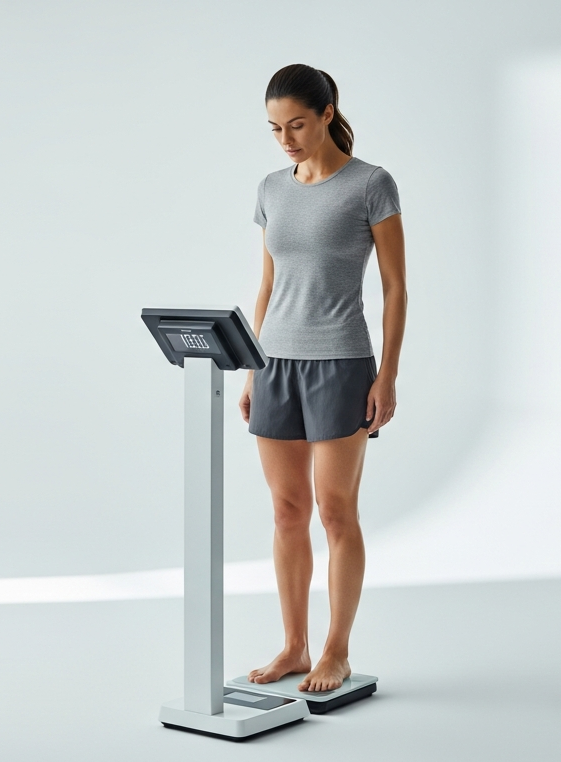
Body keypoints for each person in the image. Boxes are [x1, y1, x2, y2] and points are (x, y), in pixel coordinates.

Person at [239, 64, 407, 693]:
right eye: (275, 128)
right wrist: (253, 367)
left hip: (341, 363)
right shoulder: (270, 189)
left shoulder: (371, 185)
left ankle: (336, 650)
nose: (285, 139)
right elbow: (268, 284)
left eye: (297, 125)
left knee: (336, 513)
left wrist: (387, 376)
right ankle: (294, 646)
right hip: (274, 364)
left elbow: (395, 287)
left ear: (327, 114)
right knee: (288, 512)